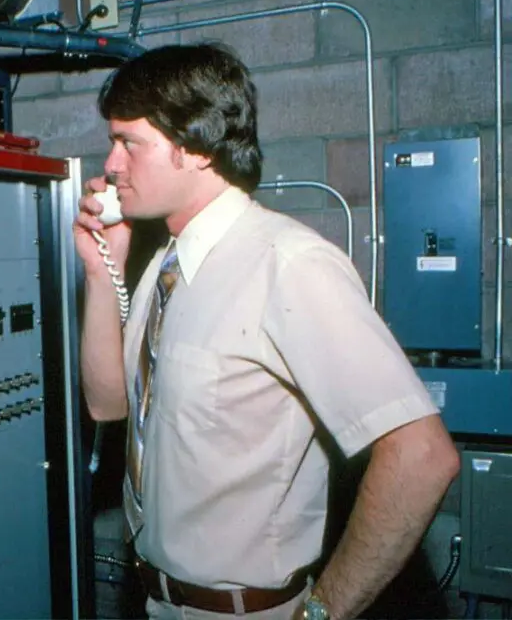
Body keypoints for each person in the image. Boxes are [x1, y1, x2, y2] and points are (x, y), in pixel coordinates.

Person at [73, 43, 460, 620]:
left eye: (129, 142)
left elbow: (422, 455)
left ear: (197, 147)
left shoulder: (289, 264)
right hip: (158, 602)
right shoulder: (165, 265)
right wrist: (101, 272)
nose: (111, 165)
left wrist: (322, 613)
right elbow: (107, 406)